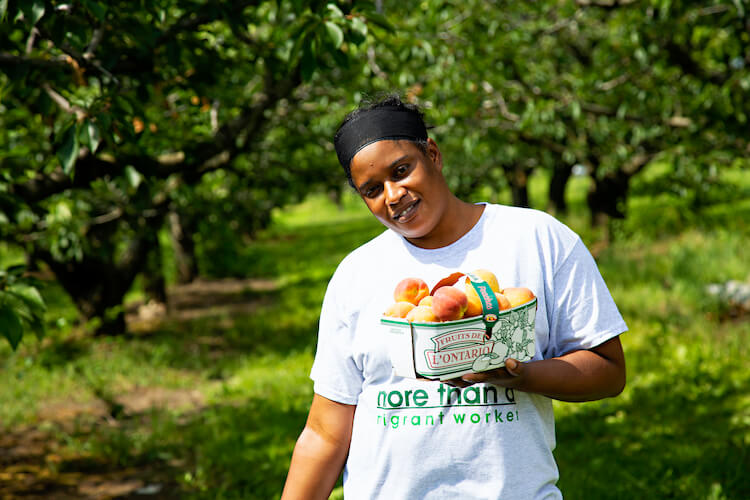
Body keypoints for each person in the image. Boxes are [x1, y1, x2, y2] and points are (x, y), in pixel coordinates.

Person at [281, 94, 627, 499]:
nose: (393, 195)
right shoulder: (356, 275)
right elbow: (325, 431)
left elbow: (608, 370)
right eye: (372, 189)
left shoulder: (537, 239)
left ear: (433, 154)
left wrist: (522, 374)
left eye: (402, 170)